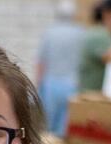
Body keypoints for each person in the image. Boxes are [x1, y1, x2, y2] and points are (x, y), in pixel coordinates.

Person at [36, 0, 85, 136]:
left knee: (47, 128)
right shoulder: (81, 33)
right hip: (72, 85)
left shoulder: (49, 32)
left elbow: (41, 61)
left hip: (51, 84)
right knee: (63, 129)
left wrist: (39, 84)